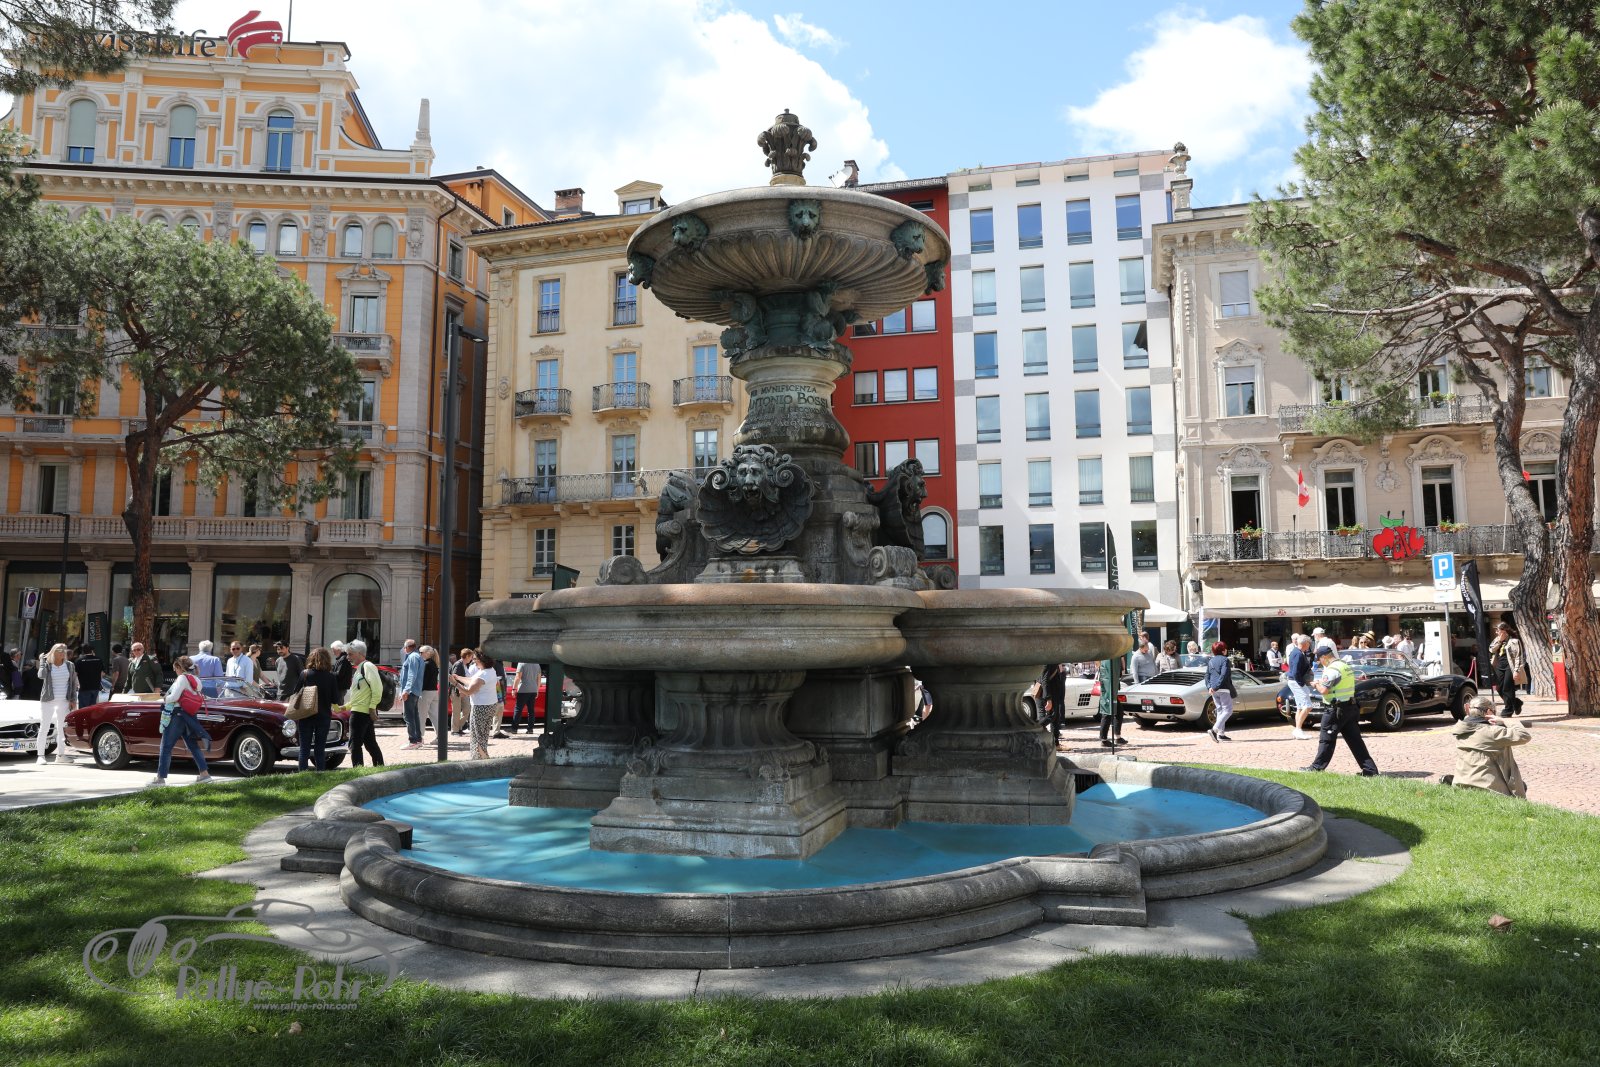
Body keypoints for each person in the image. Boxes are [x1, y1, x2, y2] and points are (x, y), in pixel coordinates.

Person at [1303, 646, 1380, 776]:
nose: (1320, 662)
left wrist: (1315, 684)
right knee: (1356, 741)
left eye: (1320, 660)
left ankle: (1316, 768)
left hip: (1335, 710)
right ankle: (1370, 770)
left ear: (1324, 657)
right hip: (1350, 707)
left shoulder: (1332, 669)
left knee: (1326, 739)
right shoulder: (1344, 665)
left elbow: (1324, 690)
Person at [147, 655, 214, 787]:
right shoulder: (196, 679)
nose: (175, 671)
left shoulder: (182, 678)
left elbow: (175, 697)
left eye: (175, 668)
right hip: (190, 716)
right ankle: (204, 774)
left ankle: (160, 779)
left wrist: (165, 698)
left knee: (166, 746)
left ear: (179, 667)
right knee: (193, 745)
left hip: (177, 715)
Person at [1446, 694, 1531, 797]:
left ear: (1468, 710)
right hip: (1489, 788)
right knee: (1519, 786)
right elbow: (1524, 735)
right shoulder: (1492, 732)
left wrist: (1470, 712)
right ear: (1489, 712)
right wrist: (1504, 720)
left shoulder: (1461, 729)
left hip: (1462, 782)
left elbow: (1470, 719)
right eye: (1494, 712)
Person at [338, 639, 385, 767]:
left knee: (355, 744)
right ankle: (379, 767)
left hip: (361, 713)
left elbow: (377, 688)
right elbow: (358, 695)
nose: (347, 657)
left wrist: (372, 707)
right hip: (361, 711)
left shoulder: (367, 666)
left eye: (350, 654)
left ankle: (358, 770)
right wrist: (345, 707)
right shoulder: (360, 668)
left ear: (359, 653)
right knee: (369, 743)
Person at [450, 649, 502, 760]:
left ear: (481, 660)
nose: (473, 661)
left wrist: (455, 683)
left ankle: (480, 758)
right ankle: (482, 757)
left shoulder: (483, 674)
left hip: (481, 707)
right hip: (490, 705)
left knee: (477, 735)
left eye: (475, 659)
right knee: (483, 734)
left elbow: (468, 691)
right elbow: (472, 680)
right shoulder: (490, 670)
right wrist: (458, 678)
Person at [296, 646, 339, 772]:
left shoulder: (305, 674)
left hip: (306, 715)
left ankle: (302, 775)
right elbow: (335, 699)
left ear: (311, 659)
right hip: (324, 716)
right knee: (320, 748)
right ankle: (320, 773)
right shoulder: (331, 677)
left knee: (304, 748)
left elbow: (296, 692)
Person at [35, 643, 78, 764]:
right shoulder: (47, 665)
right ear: (53, 651)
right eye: (59, 650)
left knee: (61, 728)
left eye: (64, 650)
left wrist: (73, 699)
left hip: (64, 700)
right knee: (44, 727)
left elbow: (73, 683)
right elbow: (41, 675)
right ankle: (40, 755)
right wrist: (42, 661)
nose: (62, 652)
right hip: (48, 700)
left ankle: (60, 755)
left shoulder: (69, 665)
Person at [1489, 622, 1526, 716]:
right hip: (1499, 666)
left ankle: (1508, 710)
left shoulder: (1514, 641)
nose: (1496, 632)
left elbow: (1519, 657)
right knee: (1499, 688)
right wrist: (1499, 641)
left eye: (1498, 630)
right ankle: (1516, 702)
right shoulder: (1497, 640)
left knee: (1507, 688)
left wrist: (1516, 671)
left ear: (1504, 631)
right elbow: (1491, 649)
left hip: (1510, 667)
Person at [1285, 634, 1316, 740]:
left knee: (1300, 707)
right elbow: (1295, 672)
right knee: (1308, 706)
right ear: (1305, 643)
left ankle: (1297, 729)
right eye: (1309, 643)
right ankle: (1298, 729)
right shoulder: (1298, 653)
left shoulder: (1296, 652)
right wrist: (1302, 684)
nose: (1309, 645)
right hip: (1296, 682)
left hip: (1294, 681)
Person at [1204, 641, 1236, 742]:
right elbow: (1224, 674)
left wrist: (1210, 687)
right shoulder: (1225, 660)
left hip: (1213, 689)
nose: (1226, 650)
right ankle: (1215, 729)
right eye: (1225, 648)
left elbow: (1207, 675)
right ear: (1223, 650)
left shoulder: (1211, 661)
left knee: (1220, 710)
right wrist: (1217, 686)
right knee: (1228, 710)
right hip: (1223, 688)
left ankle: (1221, 734)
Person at [397, 638, 426, 748]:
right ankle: (418, 739)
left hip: (411, 691)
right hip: (414, 691)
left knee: (409, 716)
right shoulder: (417, 656)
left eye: (404, 647)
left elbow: (411, 675)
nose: (404, 649)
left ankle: (413, 741)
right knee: (414, 715)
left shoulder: (413, 657)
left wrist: (406, 690)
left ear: (408, 647)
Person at [510, 660, 542, 736]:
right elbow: (539, 679)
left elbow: (518, 677)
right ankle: (530, 729)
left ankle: (514, 729)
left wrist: (514, 689)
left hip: (523, 689)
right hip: (533, 689)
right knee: (531, 710)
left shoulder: (521, 663)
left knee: (518, 709)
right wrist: (537, 690)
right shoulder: (537, 664)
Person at [1041, 661, 1068, 747]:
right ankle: (1036, 727)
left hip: (1055, 694)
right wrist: (1048, 699)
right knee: (1051, 716)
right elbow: (1044, 680)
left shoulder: (1055, 662)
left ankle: (1055, 743)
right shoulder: (1049, 663)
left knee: (1055, 718)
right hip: (1051, 694)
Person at [418, 646, 441, 735]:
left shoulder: (426, 664)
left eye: (421, 652)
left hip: (426, 692)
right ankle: (440, 736)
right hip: (434, 691)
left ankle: (420, 737)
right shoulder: (434, 663)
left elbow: (423, 680)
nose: (419, 654)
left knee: (421, 715)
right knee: (435, 716)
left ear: (427, 653)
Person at [450, 647, 473, 734]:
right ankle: (455, 730)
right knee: (456, 711)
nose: (471, 659)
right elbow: (454, 677)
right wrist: (459, 690)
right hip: (457, 690)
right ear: (467, 656)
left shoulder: (465, 665)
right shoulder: (458, 664)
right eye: (471, 657)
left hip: (464, 690)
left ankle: (459, 726)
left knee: (467, 709)